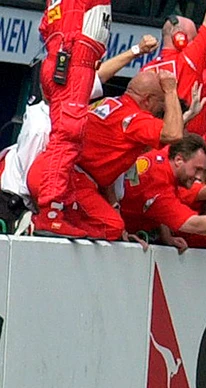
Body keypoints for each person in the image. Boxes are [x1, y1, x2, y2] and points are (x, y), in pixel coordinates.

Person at [28, 69, 184, 238]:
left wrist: (114, 207)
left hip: (48, 170)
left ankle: (45, 220)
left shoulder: (108, 103)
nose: (161, 111)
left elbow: (104, 168)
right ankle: (39, 222)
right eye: (161, 105)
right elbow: (174, 134)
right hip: (66, 180)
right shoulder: (134, 118)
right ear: (148, 100)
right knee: (111, 227)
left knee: (112, 226)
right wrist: (171, 91)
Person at [32, 0, 112, 235]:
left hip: (65, 59)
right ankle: (51, 212)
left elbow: (45, 26)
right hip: (74, 61)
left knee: (70, 138)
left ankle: (61, 208)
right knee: (68, 136)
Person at [141, 0, 206, 104]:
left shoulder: (145, 70)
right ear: (180, 38)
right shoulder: (189, 59)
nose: (194, 43)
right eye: (193, 39)